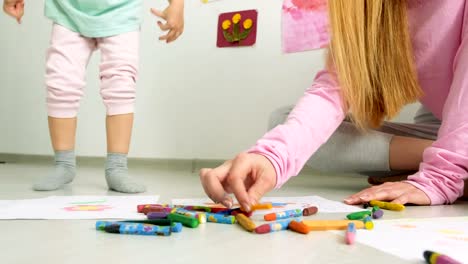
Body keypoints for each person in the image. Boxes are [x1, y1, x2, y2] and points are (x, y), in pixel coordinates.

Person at [200, 0, 468, 211]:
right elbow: (335, 89)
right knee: (282, 121)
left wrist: (440, 177)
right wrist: (271, 156)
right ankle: (456, 163)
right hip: (448, 128)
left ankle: (454, 165)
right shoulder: (373, 10)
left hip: (457, 124)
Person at [3, 0, 184, 193]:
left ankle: (117, 166)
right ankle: (64, 164)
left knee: (120, 85)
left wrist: (177, 4)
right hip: (68, 11)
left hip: (121, 12)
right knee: (61, 82)